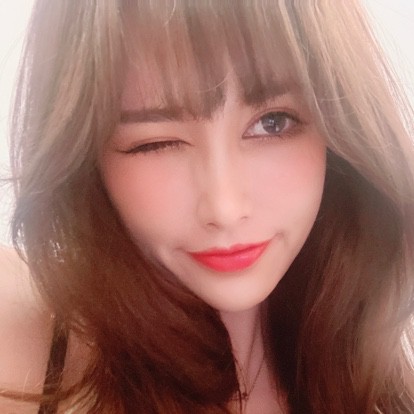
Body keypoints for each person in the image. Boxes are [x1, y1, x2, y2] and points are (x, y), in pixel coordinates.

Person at [1, 0, 414, 413]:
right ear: (88, 162)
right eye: (157, 143)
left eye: (272, 123)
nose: (225, 208)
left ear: (340, 132)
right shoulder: (27, 351)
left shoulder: (383, 383)